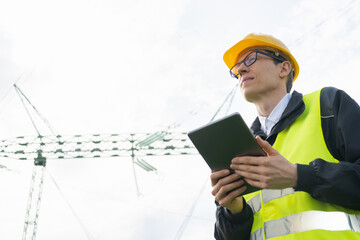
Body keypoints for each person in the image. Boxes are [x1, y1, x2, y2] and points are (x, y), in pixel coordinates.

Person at [210, 33, 360, 240]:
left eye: (250, 59)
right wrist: (233, 213)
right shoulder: (238, 149)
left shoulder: (327, 105)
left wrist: (299, 176)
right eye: (236, 69)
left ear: (284, 68)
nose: (241, 69)